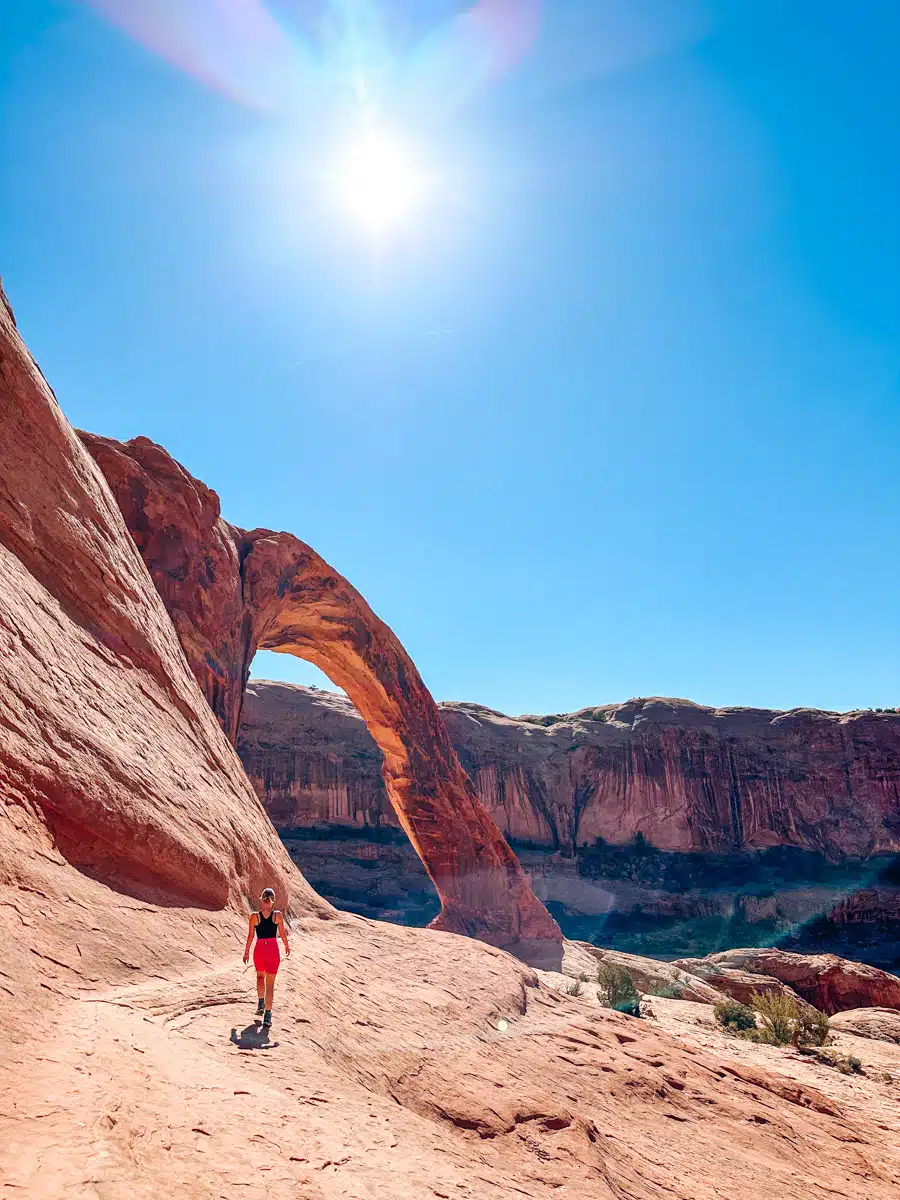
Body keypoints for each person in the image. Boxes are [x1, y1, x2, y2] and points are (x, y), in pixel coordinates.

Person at [243, 887, 290, 1027]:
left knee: (259, 977)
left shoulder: (254, 916)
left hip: (260, 949)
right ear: (273, 900)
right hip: (272, 950)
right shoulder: (278, 915)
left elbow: (251, 936)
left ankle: (260, 1002)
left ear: (262, 899)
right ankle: (268, 1016)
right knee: (270, 984)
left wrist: (246, 952)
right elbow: (282, 934)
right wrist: (287, 946)